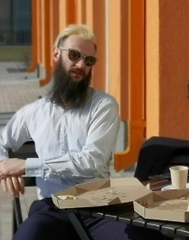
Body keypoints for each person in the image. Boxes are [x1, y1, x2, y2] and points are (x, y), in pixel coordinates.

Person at [0, 24, 164, 240]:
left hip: (99, 207)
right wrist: (4, 167)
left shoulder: (103, 106)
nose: (81, 65)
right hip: (52, 208)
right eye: (75, 55)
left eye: (89, 61)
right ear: (57, 54)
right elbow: (2, 142)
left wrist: (26, 165)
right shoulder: (34, 112)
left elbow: (91, 162)